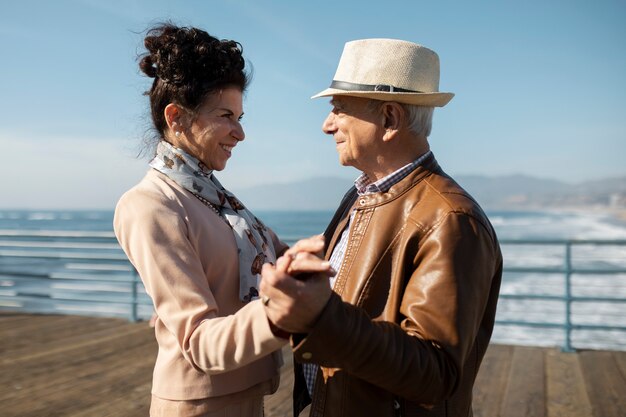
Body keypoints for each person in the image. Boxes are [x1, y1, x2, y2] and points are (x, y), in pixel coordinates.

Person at [259, 39, 503, 417]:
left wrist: (321, 317)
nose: (327, 125)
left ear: (389, 119)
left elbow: (435, 373)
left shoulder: (451, 219)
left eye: (338, 109)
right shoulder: (362, 194)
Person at [113, 23, 313, 417]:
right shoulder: (150, 205)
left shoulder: (217, 199)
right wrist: (281, 311)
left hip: (243, 396)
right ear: (177, 117)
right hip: (198, 406)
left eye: (240, 117)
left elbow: (284, 256)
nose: (240, 133)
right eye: (226, 115)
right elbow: (199, 338)